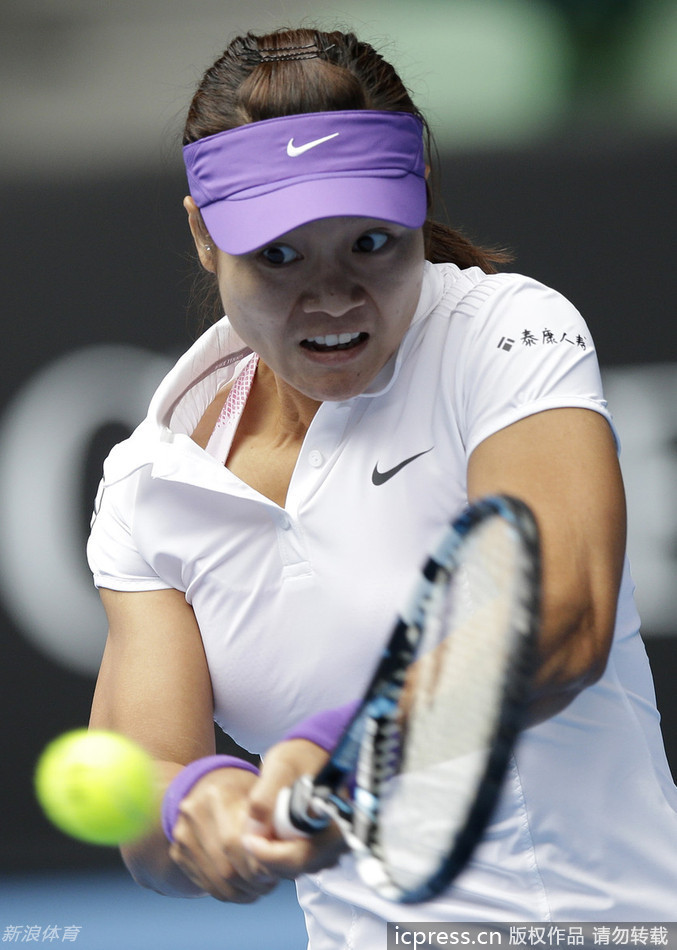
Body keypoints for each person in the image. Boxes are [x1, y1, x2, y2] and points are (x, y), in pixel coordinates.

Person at [86, 25, 677, 943]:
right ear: (203, 233)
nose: (330, 296)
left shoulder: (503, 334)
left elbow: (561, 620)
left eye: (369, 242)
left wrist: (345, 754)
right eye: (278, 254)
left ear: (417, 206)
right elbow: (147, 800)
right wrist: (197, 812)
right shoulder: (147, 482)